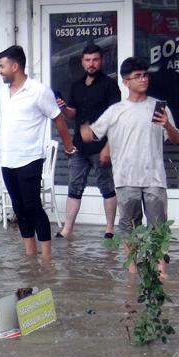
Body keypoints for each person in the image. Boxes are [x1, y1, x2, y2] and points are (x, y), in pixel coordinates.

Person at [80, 57, 179, 276]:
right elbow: (92, 133)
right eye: (138, 76)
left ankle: (161, 271)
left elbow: (174, 139)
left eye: (145, 75)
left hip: (154, 178)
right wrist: (80, 125)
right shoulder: (116, 111)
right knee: (129, 228)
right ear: (126, 82)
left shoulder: (159, 107)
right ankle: (133, 271)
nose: (143, 79)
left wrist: (168, 125)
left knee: (159, 228)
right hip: (126, 179)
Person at [0, 45, 74, 262]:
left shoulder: (38, 90)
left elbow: (58, 118)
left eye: (2, 66)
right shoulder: (5, 91)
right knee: (20, 209)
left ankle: (47, 258)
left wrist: (69, 147)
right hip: (7, 160)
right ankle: (30, 256)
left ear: (15, 66)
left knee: (33, 207)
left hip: (30, 158)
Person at [56, 43, 121, 239]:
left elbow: (116, 119)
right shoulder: (76, 85)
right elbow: (72, 114)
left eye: (95, 60)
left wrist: (108, 148)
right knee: (74, 186)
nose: (91, 64)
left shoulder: (110, 85)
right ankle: (67, 229)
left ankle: (109, 228)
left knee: (106, 186)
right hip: (79, 146)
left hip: (101, 145)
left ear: (101, 61)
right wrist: (63, 108)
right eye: (87, 60)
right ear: (82, 62)